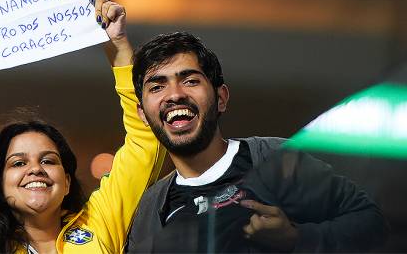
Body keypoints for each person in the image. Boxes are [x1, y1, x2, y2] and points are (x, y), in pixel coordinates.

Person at [0, 0, 166, 253]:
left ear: (67, 181)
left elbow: (145, 141)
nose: (36, 169)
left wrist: (118, 47)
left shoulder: (100, 222)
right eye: (18, 162)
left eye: (48, 160)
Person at [126, 32, 388, 253]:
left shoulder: (278, 162)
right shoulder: (149, 212)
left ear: (221, 99)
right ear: (143, 115)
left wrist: (296, 239)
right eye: (157, 87)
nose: (175, 94)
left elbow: (372, 224)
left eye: (190, 80)